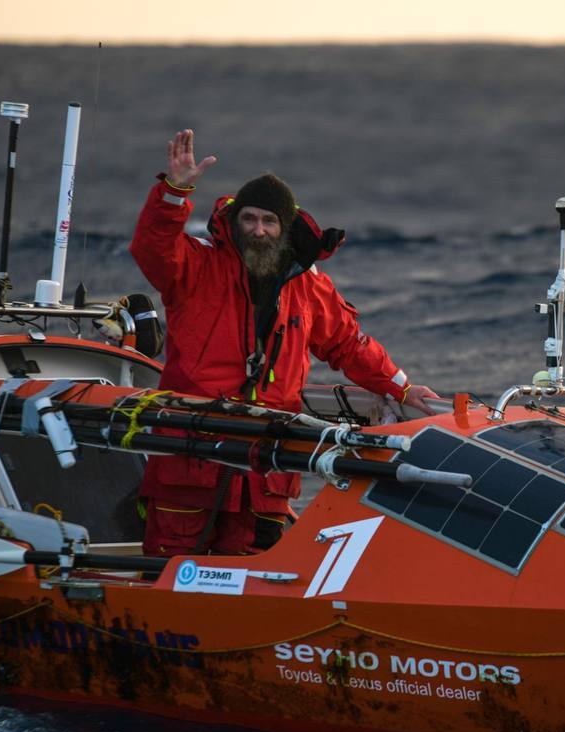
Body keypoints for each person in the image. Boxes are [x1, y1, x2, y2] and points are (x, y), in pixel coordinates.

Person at [130, 129, 440, 558]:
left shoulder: (308, 286)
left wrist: (401, 387)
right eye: (249, 219)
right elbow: (151, 247)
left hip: (266, 466)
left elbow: (349, 344)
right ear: (234, 222)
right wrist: (175, 191)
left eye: (269, 221)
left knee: (256, 574)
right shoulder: (195, 266)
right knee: (168, 564)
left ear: (285, 227)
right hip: (190, 453)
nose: (258, 231)